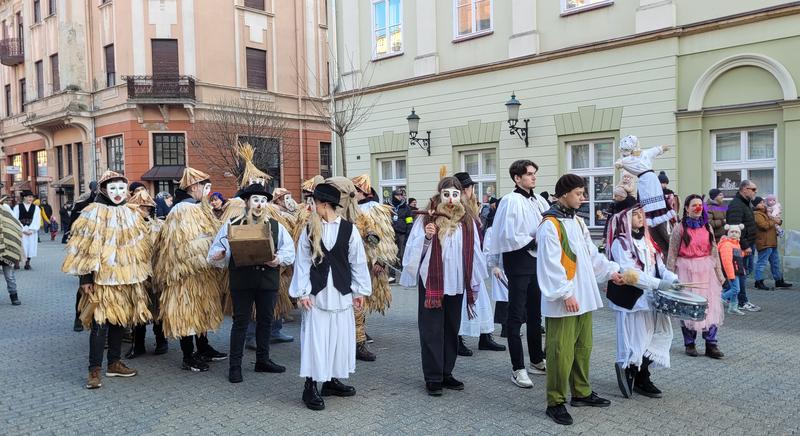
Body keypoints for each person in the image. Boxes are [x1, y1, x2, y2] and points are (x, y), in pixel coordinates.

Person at [537, 174, 623, 426]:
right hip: (565, 298)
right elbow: (550, 265)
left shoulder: (578, 222)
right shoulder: (549, 225)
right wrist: (566, 293)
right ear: (563, 194)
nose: (583, 198)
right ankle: (555, 402)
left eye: (583, 193)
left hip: (583, 296)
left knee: (583, 348)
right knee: (559, 352)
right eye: (579, 193)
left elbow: (590, 256)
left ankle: (581, 393)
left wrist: (610, 271)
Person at [62, 171, 152, 389]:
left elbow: (139, 245)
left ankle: (114, 363)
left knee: (120, 321)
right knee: (100, 325)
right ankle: (94, 370)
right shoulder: (92, 213)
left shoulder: (131, 213)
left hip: (126, 279)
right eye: (113, 189)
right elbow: (82, 248)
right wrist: (85, 278)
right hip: (101, 280)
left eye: (122, 188)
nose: (118, 193)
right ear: (103, 189)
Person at [401, 176, 487, 396]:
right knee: (431, 330)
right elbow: (412, 252)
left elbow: (475, 251)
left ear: (461, 197)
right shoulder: (426, 219)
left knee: (451, 328)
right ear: (439, 195)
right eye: (446, 194)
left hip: (457, 282)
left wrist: (475, 281)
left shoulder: (467, 221)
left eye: (455, 194)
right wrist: (428, 238)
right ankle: (433, 377)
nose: (450, 199)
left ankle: (447, 372)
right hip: (433, 283)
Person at [289, 182, 371, 411]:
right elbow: (302, 263)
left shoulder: (349, 229)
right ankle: (310, 386)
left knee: (337, 339)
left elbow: (357, 261)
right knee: (316, 341)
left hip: (342, 294)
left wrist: (360, 290)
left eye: (314, 203)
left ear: (324, 205)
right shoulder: (309, 229)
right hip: (317, 297)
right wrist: (303, 292)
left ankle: (331, 381)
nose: (312, 206)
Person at [209, 181, 295, 383]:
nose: (259, 204)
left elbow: (288, 251)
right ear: (247, 202)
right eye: (255, 200)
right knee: (241, 323)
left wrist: (278, 259)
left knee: (266, 321)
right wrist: (219, 255)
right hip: (242, 281)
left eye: (263, 200)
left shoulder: (276, 226)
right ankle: (235, 366)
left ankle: (262, 360)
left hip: (267, 281)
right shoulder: (232, 224)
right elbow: (214, 251)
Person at [156, 167, 227, 372]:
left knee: (202, 312)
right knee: (187, 314)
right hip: (186, 276)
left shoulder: (199, 207)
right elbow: (180, 244)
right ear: (194, 187)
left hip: (203, 273)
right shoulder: (182, 210)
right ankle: (188, 356)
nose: (207, 191)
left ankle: (203, 348)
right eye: (205, 187)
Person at [487, 160, 549, 389]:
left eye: (534, 174)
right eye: (529, 174)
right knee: (515, 316)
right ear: (517, 178)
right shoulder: (510, 201)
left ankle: (535, 360)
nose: (533, 178)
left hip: (537, 264)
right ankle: (518, 368)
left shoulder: (539, 200)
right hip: (519, 262)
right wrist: (534, 240)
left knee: (535, 315)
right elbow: (506, 234)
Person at [606, 206, 678, 399]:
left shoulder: (649, 241)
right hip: (633, 301)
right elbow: (632, 275)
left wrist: (673, 280)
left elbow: (660, 268)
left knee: (663, 335)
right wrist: (658, 284)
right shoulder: (620, 243)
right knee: (638, 340)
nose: (640, 218)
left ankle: (637, 372)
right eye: (635, 215)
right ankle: (639, 376)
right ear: (625, 219)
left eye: (641, 214)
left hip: (653, 298)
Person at [667, 194, 726, 359]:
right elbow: (672, 253)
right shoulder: (679, 228)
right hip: (686, 271)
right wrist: (670, 278)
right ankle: (690, 343)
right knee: (689, 306)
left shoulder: (707, 227)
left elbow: (714, 251)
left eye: (700, 205)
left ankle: (711, 344)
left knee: (710, 306)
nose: (698, 208)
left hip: (706, 270)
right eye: (694, 205)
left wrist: (719, 274)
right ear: (686, 208)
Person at [453, 171, 504, 356]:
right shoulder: (458, 208)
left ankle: (485, 336)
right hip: (463, 264)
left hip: (475, 261)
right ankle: (457, 339)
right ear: (466, 189)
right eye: (471, 187)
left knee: (481, 300)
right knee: (462, 303)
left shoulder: (470, 206)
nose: (472, 191)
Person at [351, 174, 397, 361]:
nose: (354, 194)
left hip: (371, 262)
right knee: (358, 300)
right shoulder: (350, 209)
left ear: (364, 192)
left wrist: (381, 261)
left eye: (357, 190)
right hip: (356, 261)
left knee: (364, 299)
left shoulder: (375, 209)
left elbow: (385, 237)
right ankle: (357, 335)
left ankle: (360, 335)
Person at [125, 189, 169, 358]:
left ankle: (161, 341)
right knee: (138, 308)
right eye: (141, 207)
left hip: (156, 273)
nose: (145, 211)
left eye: (148, 208)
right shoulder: (127, 229)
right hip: (136, 274)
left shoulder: (158, 226)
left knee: (158, 307)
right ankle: (138, 345)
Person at [615, 135, 674, 253]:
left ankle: (657, 217)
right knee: (646, 205)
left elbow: (658, 149)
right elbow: (619, 162)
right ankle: (651, 220)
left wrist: (664, 148)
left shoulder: (645, 153)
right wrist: (619, 163)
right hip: (643, 181)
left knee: (655, 203)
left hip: (651, 180)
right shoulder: (629, 159)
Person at [67, 181, 99, 331]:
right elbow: (73, 226)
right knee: (83, 288)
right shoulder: (82, 203)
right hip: (86, 251)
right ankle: (78, 317)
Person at [726, 180, 761, 312]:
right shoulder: (737, 205)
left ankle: (732, 296)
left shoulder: (745, 203)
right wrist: (745, 246)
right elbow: (735, 229)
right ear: (744, 189)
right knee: (741, 273)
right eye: (753, 189)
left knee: (745, 271)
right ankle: (741, 301)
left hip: (748, 244)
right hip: (741, 246)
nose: (755, 192)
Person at [753, 197, 792, 290]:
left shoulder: (766, 213)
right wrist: (773, 220)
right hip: (764, 243)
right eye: (760, 203)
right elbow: (764, 226)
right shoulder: (756, 214)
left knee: (775, 263)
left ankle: (778, 281)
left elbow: (777, 222)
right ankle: (758, 282)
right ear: (755, 205)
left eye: (763, 202)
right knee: (762, 263)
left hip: (772, 242)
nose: (763, 204)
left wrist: (776, 220)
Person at [718, 224, 747, 315]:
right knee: (735, 289)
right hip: (731, 272)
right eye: (732, 232)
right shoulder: (727, 244)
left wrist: (743, 254)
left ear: (739, 234)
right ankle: (719, 299)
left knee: (735, 290)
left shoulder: (736, 244)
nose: (734, 234)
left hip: (736, 271)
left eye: (736, 232)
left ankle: (733, 308)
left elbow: (737, 257)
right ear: (728, 232)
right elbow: (727, 261)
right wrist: (731, 275)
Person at [0, 197, 23, 305]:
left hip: (6, 246)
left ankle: (14, 296)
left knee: (9, 274)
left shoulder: (5, 207)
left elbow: (14, 222)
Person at [13, 190, 40, 270]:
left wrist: (32, 230)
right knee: (20, 246)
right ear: (24, 197)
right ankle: (17, 262)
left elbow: (37, 219)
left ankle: (27, 262)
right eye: (29, 197)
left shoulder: (36, 208)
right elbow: (15, 218)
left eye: (32, 197)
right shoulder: (17, 207)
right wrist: (22, 229)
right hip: (21, 230)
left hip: (31, 230)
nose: (31, 199)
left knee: (30, 246)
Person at [391, 188, 413, 261]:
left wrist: (408, 232)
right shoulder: (388, 206)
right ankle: (392, 271)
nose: (400, 196)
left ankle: (402, 270)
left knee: (402, 253)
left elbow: (409, 221)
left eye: (401, 195)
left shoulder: (406, 207)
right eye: (398, 195)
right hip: (391, 233)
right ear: (394, 196)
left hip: (402, 233)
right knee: (391, 253)